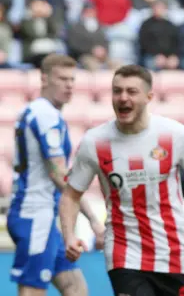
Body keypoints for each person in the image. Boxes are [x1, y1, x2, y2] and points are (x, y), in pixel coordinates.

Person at [58, 65, 184, 296]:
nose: (123, 98)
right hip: (124, 253)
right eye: (117, 91)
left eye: (131, 91)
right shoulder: (95, 142)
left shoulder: (174, 134)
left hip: (171, 252)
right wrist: (70, 235)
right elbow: (71, 194)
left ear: (149, 97)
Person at [6, 54, 105, 296]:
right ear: (44, 78)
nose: (69, 85)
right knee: (32, 289)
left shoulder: (37, 111)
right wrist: (92, 218)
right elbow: (59, 175)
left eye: (72, 79)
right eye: (62, 78)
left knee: (76, 288)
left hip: (42, 216)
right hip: (34, 215)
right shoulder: (46, 116)